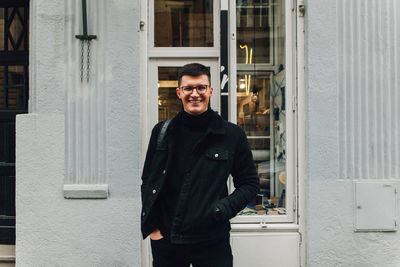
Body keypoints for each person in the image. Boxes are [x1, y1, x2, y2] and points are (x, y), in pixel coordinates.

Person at [141, 63, 259, 267]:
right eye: (188, 88)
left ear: (210, 91)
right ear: (179, 92)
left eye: (201, 87)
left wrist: (222, 209)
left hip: (212, 242)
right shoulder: (162, 132)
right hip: (168, 242)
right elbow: (148, 181)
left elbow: (249, 184)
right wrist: (154, 230)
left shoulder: (231, 135)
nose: (194, 94)